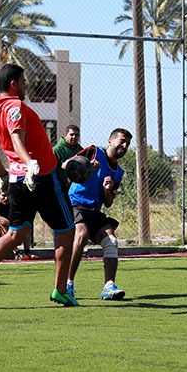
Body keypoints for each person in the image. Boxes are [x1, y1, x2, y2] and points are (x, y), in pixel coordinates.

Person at [0, 63, 78, 308]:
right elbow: (17, 139)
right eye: (24, 82)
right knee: (67, 230)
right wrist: (30, 163)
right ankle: (60, 290)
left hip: (17, 181)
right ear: (14, 84)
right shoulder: (15, 106)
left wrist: (6, 176)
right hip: (41, 178)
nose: (26, 87)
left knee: (16, 234)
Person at [65, 128, 132, 301]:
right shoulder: (94, 151)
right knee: (82, 234)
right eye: (122, 141)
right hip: (75, 204)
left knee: (111, 241)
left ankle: (109, 287)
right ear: (110, 141)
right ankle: (67, 284)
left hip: (94, 210)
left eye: (127, 144)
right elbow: (65, 165)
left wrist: (107, 190)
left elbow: (108, 203)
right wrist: (86, 165)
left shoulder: (118, 173)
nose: (124, 146)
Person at [0, 189, 37, 260]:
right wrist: (14, 226)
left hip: (6, 238)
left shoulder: (13, 206)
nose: (6, 198)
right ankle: (17, 253)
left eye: (8, 196)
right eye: (3, 196)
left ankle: (27, 252)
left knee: (25, 223)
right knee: (1, 224)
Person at [53, 125, 82, 192]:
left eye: (76, 135)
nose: (74, 137)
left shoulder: (80, 150)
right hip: (60, 185)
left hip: (77, 186)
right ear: (66, 135)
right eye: (71, 134)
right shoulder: (57, 150)